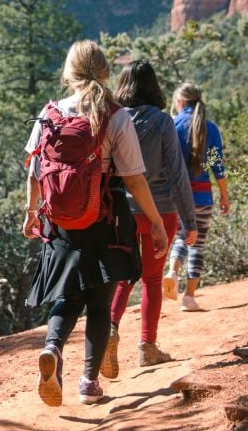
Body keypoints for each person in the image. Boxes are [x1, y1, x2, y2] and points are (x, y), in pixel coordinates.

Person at [23, 40, 168, 406]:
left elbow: (35, 172)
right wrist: (155, 221)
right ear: (104, 72)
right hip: (106, 217)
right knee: (99, 302)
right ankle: (88, 382)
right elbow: (134, 177)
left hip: (60, 223)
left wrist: (30, 215)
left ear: (68, 73)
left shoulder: (50, 113)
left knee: (67, 297)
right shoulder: (115, 115)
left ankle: (53, 351)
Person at [102, 60, 198, 377]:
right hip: (161, 211)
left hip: (122, 211)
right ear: (154, 86)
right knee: (152, 280)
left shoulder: (113, 118)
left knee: (124, 276)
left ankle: (111, 331)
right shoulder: (161, 121)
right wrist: (190, 220)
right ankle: (148, 347)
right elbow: (177, 172)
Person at [162, 82, 230, 312]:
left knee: (181, 237)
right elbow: (218, 167)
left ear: (180, 101)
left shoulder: (171, 124)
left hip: (176, 196)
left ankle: (172, 271)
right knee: (197, 243)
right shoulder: (211, 128)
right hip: (202, 196)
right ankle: (189, 297)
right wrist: (224, 196)